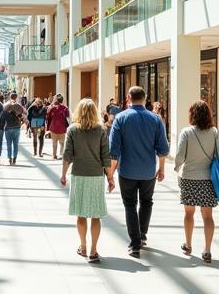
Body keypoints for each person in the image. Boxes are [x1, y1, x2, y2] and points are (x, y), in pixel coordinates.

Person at [107, 85, 169, 258]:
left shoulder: (120, 118)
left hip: (127, 170)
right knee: (147, 201)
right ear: (145, 97)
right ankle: (142, 234)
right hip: (148, 171)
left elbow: (114, 151)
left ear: (128, 97)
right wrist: (161, 168)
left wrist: (110, 174)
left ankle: (134, 243)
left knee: (130, 205)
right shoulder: (155, 119)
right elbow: (162, 148)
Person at [173, 100, 219, 264]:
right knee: (208, 216)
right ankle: (207, 250)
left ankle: (188, 244)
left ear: (192, 115)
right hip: (207, 179)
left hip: (189, 177)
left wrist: (177, 168)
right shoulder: (214, 132)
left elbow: (180, 155)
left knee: (189, 214)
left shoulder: (186, 132)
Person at [60, 98, 114, 263]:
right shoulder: (101, 130)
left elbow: (67, 154)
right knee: (95, 215)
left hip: (79, 175)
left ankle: (83, 246)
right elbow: (106, 156)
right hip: (96, 176)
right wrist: (110, 178)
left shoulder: (72, 130)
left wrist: (63, 174)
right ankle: (93, 250)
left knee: (81, 214)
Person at [2, 93, 25, 165]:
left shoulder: (5, 105)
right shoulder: (18, 106)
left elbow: (3, 116)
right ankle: (14, 158)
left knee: (9, 144)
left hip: (8, 127)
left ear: (10, 97)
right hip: (16, 127)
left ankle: (9, 158)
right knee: (15, 144)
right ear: (16, 97)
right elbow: (23, 114)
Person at [46, 94, 70, 159]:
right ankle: (61, 154)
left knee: (54, 142)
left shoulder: (52, 107)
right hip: (62, 127)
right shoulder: (65, 108)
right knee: (62, 143)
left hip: (53, 127)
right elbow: (68, 116)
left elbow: (48, 116)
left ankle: (54, 155)